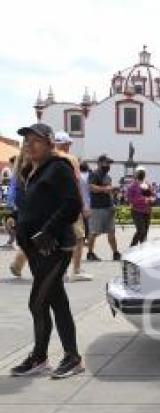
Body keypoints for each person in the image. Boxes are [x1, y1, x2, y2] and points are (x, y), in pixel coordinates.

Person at [10, 123, 84, 378]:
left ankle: (63, 358)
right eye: (27, 140)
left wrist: (48, 230)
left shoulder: (58, 168)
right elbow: (37, 207)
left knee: (38, 302)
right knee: (55, 300)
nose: (29, 144)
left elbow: (72, 205)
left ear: (50, 143)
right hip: (36, 248)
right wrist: (17, 221)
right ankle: (50, 358)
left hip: (54, 247)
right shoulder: (35, 169)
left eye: (36, 140)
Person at [53, 131, 92, 282]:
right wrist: (84, 205)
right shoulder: (70, 158)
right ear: (63, 144)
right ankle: (75, 270)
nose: (69, 146)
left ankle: (59, 271)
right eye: (68, 144)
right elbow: (78, 183)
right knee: (79, 237)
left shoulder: (47, 159)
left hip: (52, 205)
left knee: (57, 237)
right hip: (70, 203)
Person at [86, 154, 120, 261]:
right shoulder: (94, 174)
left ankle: (115, 252)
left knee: (111, 231)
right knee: (94, 232)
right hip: (97, 207)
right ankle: (90, 253)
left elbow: (109, 191)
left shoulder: (107, 177)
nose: (108, 165)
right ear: (100, 163)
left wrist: (113, 201)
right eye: (107, 163)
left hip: (108, 206)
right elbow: (91, 188)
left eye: (109, 163)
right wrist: (107, 189)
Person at [127, 167, 154, 246]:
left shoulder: (148, 184)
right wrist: (142, 200)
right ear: (136, 174)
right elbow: (129, 199)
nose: (141, 174)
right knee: (140, 230)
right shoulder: (132, 186)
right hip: (137, 211)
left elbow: (152, 194)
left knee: (145, 232)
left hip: (147, 211)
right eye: (139, 172)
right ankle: (132, 246)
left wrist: (152, 199)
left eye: (143, 172)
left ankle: (142, 249)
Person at [3, 155, 17, 249]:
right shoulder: (12, 174)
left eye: (12, 164)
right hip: (9, 203)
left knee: (8, 222)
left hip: (14, 204)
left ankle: (11, 241)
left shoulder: (19, 174)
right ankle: (11, 241)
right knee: (6, 222)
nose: (11, 165)